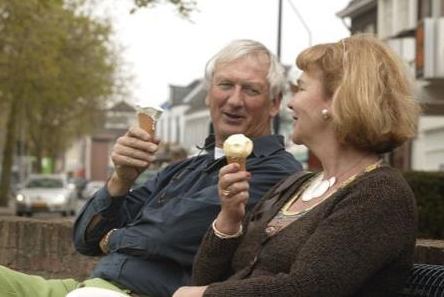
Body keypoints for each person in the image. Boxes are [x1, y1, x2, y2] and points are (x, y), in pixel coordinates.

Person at [0, 39, 302, 297]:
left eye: (250, 90)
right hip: (91, 284)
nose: (234, 100)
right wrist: (121, 179)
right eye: (225, 85)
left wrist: (114, 239)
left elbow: (166, 236)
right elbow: (84, 240)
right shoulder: (181, 169)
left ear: (274, 103)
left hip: (141, 293)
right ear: (208, 94)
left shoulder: (274, 173)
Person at [174, 34, 421, 297]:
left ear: (337, 101)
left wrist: (203, 295)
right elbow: (205, 279)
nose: (291, 102)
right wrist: (229, 219)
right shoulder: (294, 186)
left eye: (301, 88)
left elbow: (307, 289)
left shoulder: (379, 194)